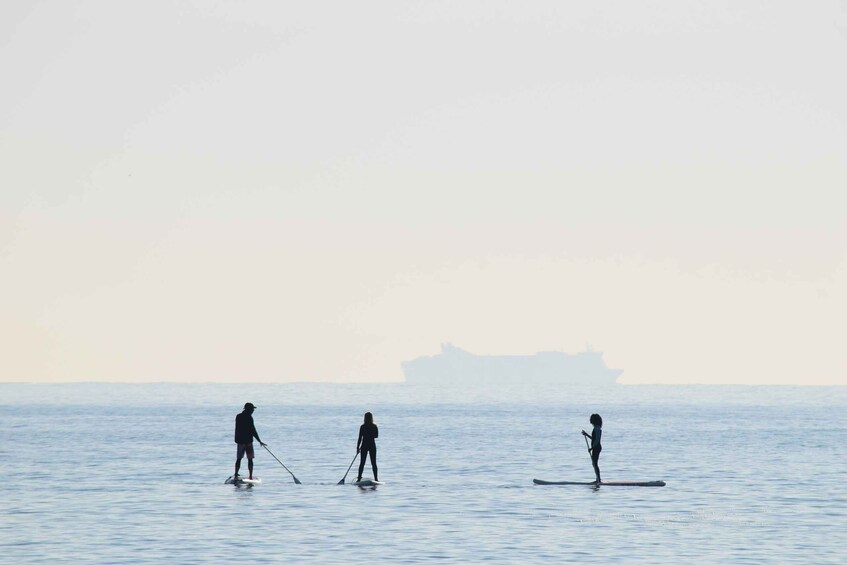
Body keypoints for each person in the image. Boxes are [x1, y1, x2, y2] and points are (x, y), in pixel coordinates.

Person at [234, 402, 266, 480]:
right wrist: (259, 441)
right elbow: (253, 430)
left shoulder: (238, 416)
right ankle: (250, 476)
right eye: (252, 409)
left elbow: (238, 429)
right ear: (248, 409)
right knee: (250, 459)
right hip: (248, 442)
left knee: (239, 458)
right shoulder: (249, 417)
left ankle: (235, 474)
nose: (253, 411)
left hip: (240, 441)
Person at [356, 411, 379, 482]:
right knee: (373, 463)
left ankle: (359, 478)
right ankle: (376, 478)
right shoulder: (374, 426)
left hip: (364, 445)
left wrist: (357, 447)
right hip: (371, 445)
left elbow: (360, 438)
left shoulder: (362, 427)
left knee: (362, 463)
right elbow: (376, 436)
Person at [581, 413, 603, 484]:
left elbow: (597, 440)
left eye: (591, 419)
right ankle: (598, 479)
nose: (590, 420)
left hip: (596, 447)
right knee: (594, 463)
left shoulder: (597, 428)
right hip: (596, 447)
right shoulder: (596, 428)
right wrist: (586, 435)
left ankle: (598, 479)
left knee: (595, 463)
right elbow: (593, 439)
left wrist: (592, 448)